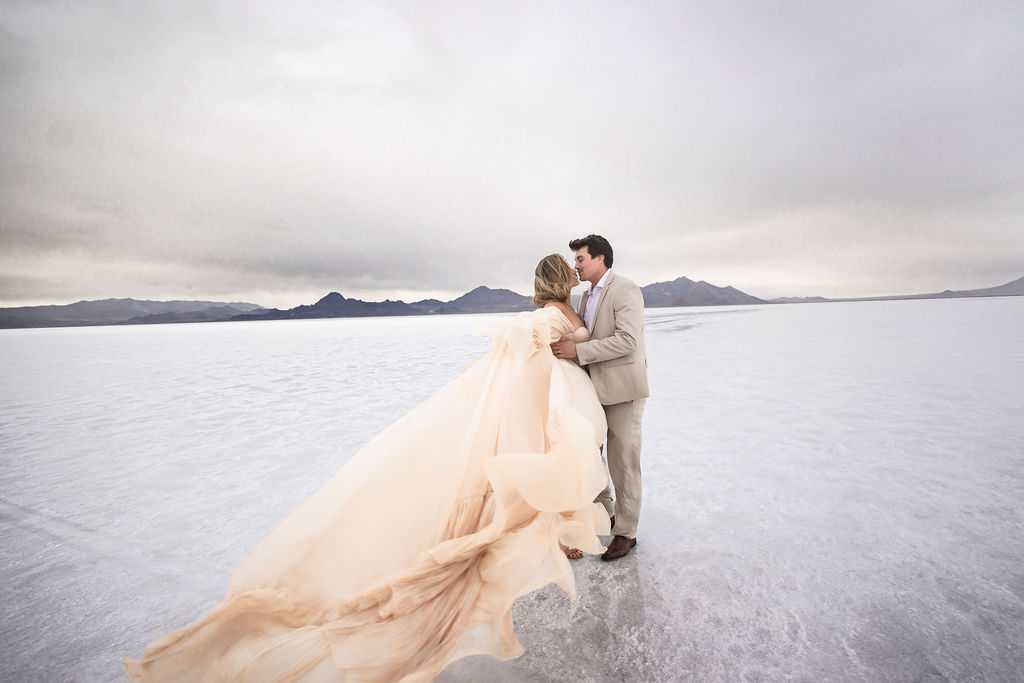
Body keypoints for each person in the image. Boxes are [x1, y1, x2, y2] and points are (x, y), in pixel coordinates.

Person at [122, 254, 610, 682]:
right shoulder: (547, 317)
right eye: (567, 269)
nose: (574, 273)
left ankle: (558, 534)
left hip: (563, 403)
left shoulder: (565, 310)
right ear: (557, 280)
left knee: (552, 486)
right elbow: (524, 350)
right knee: (530, 495)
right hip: (550, 406)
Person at [549, 235, 648, 561]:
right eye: (576, 260)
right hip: (591, 392)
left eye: (581, 259)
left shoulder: (625, 289)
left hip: (622, 391)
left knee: (623, 462)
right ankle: (607, 515)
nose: (575, 265)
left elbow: (627, 341)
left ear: (600, 259)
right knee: (591, 457)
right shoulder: (583, 298)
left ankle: (626, 533)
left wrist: (579, 350)